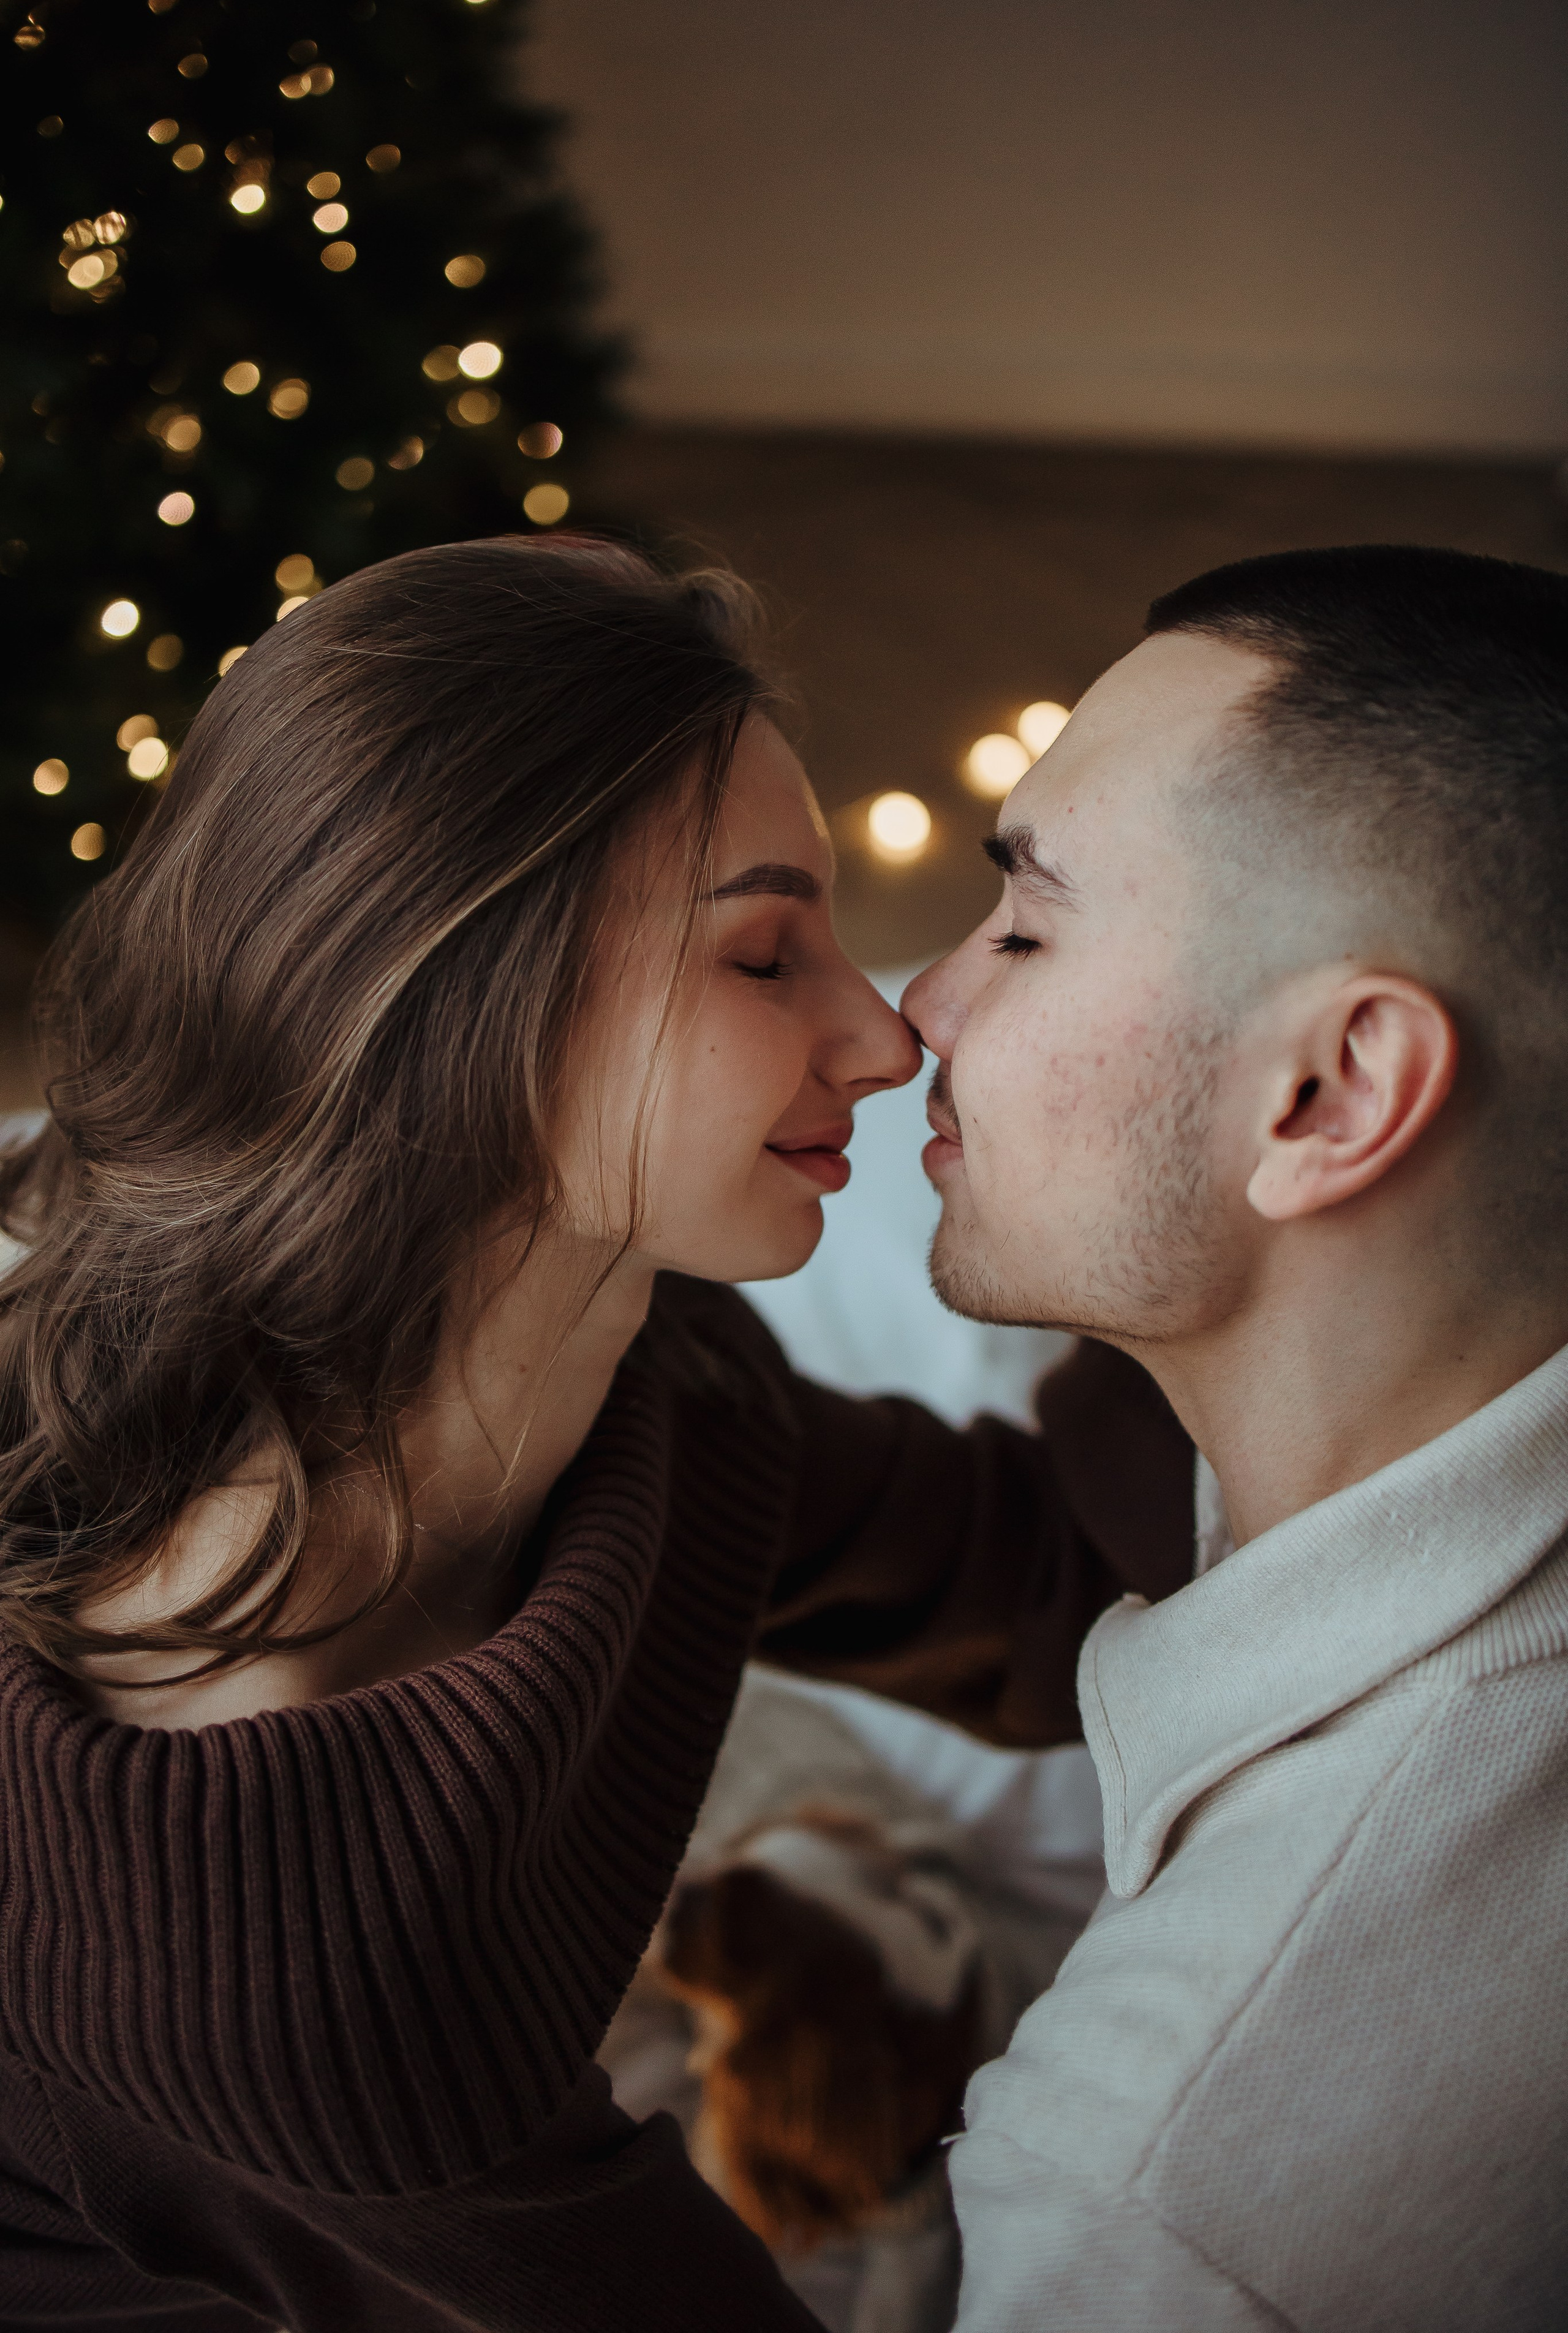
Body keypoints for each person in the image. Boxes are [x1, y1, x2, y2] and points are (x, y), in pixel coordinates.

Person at [0, 534, 1194, 2333]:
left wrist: (1265, 1216)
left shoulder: (649, 1369)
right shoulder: (270, 1926)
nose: (884, 1034)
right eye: (766, 954)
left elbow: (1044, 1586)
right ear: (457, 1007)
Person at [905, 544, 1568, 2331]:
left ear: (1331, 1093)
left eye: (1025, 927)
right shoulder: (1196, 1452)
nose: (917, 1012)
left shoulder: (1162, 2192)